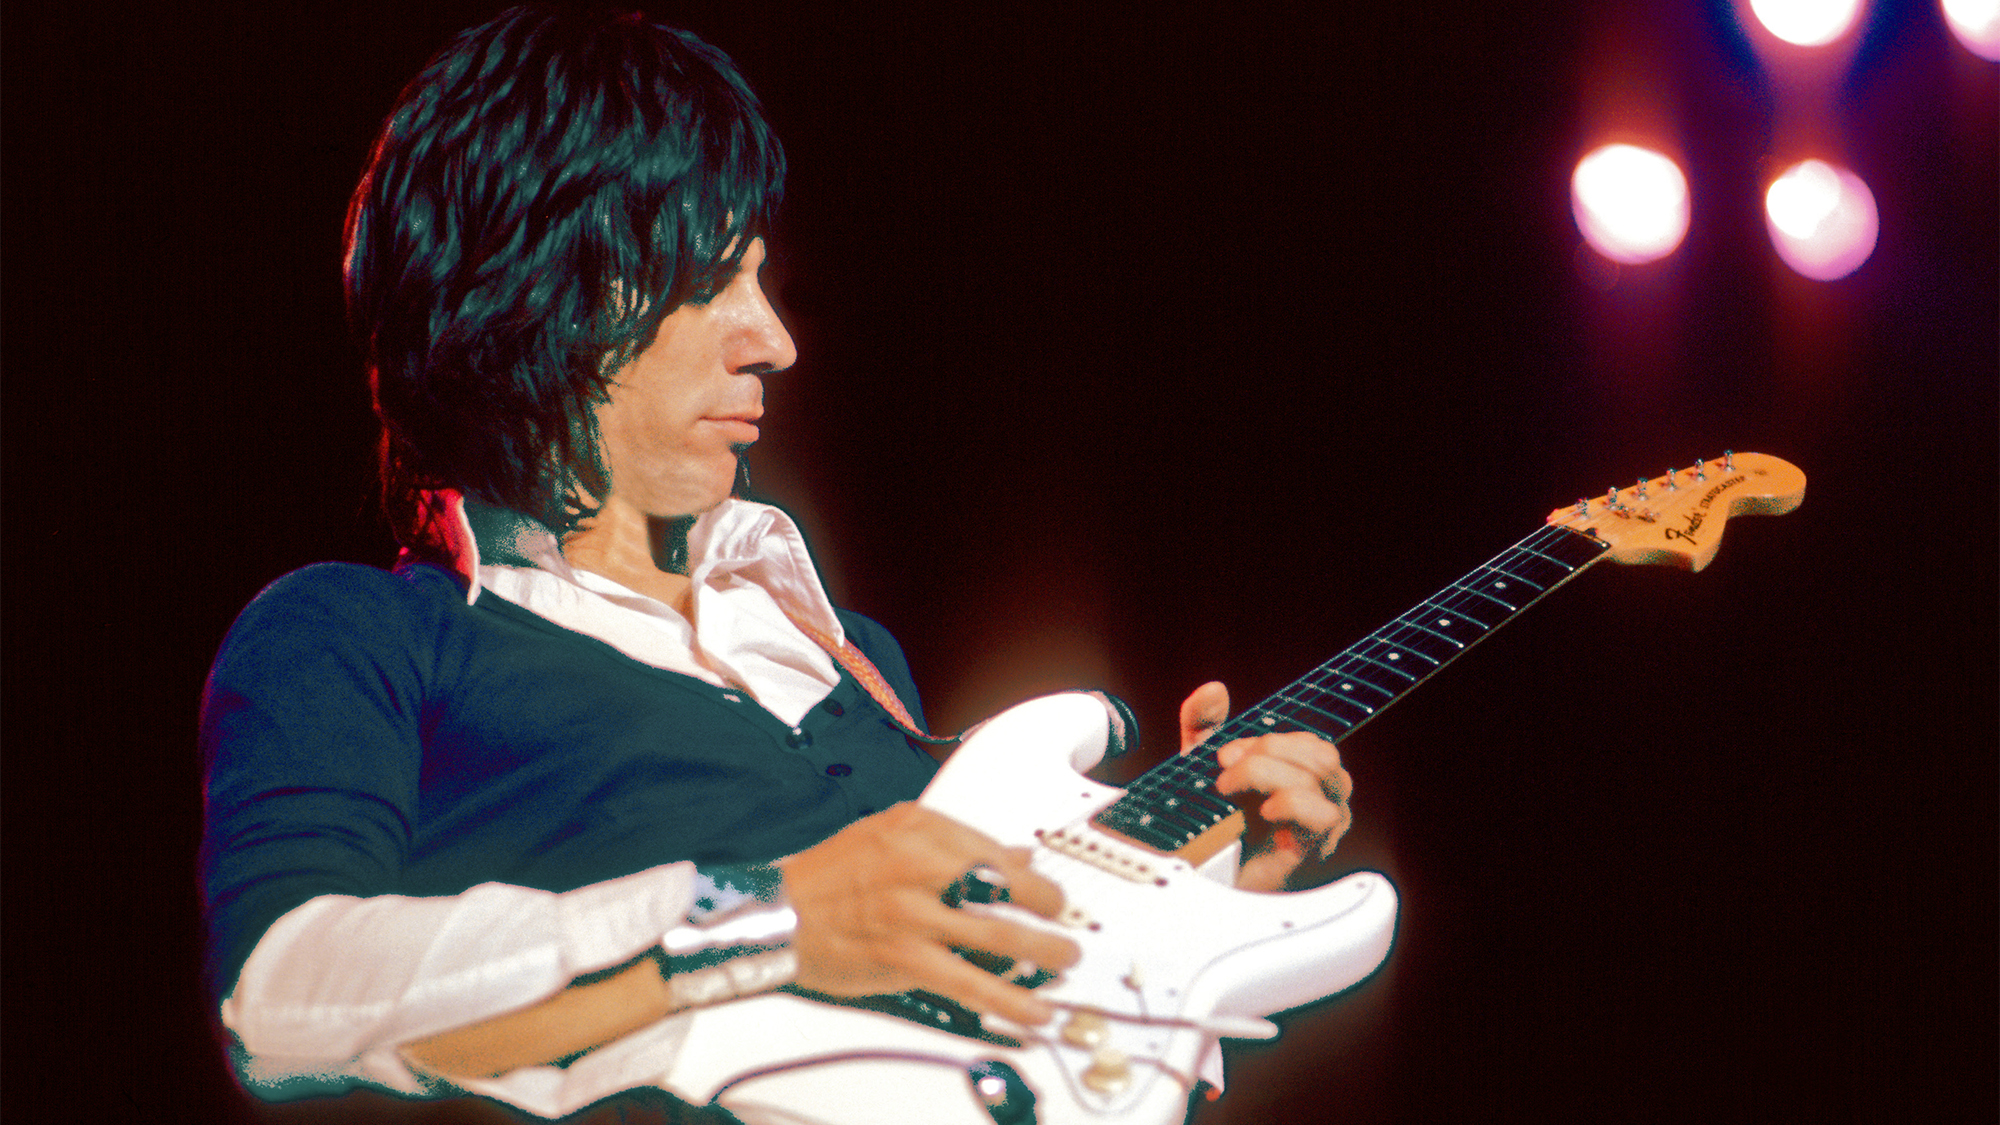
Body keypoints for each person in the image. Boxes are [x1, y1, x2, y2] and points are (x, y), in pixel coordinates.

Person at [200, 6, 1354, 1121]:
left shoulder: (855, 664)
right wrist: (766, 917)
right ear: (538, 296)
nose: (776, 341)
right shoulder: (356, 632)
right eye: (711, 282)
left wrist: (1209, 915)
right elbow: (285, 1000)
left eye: (761, 281)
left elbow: (995, 1054)